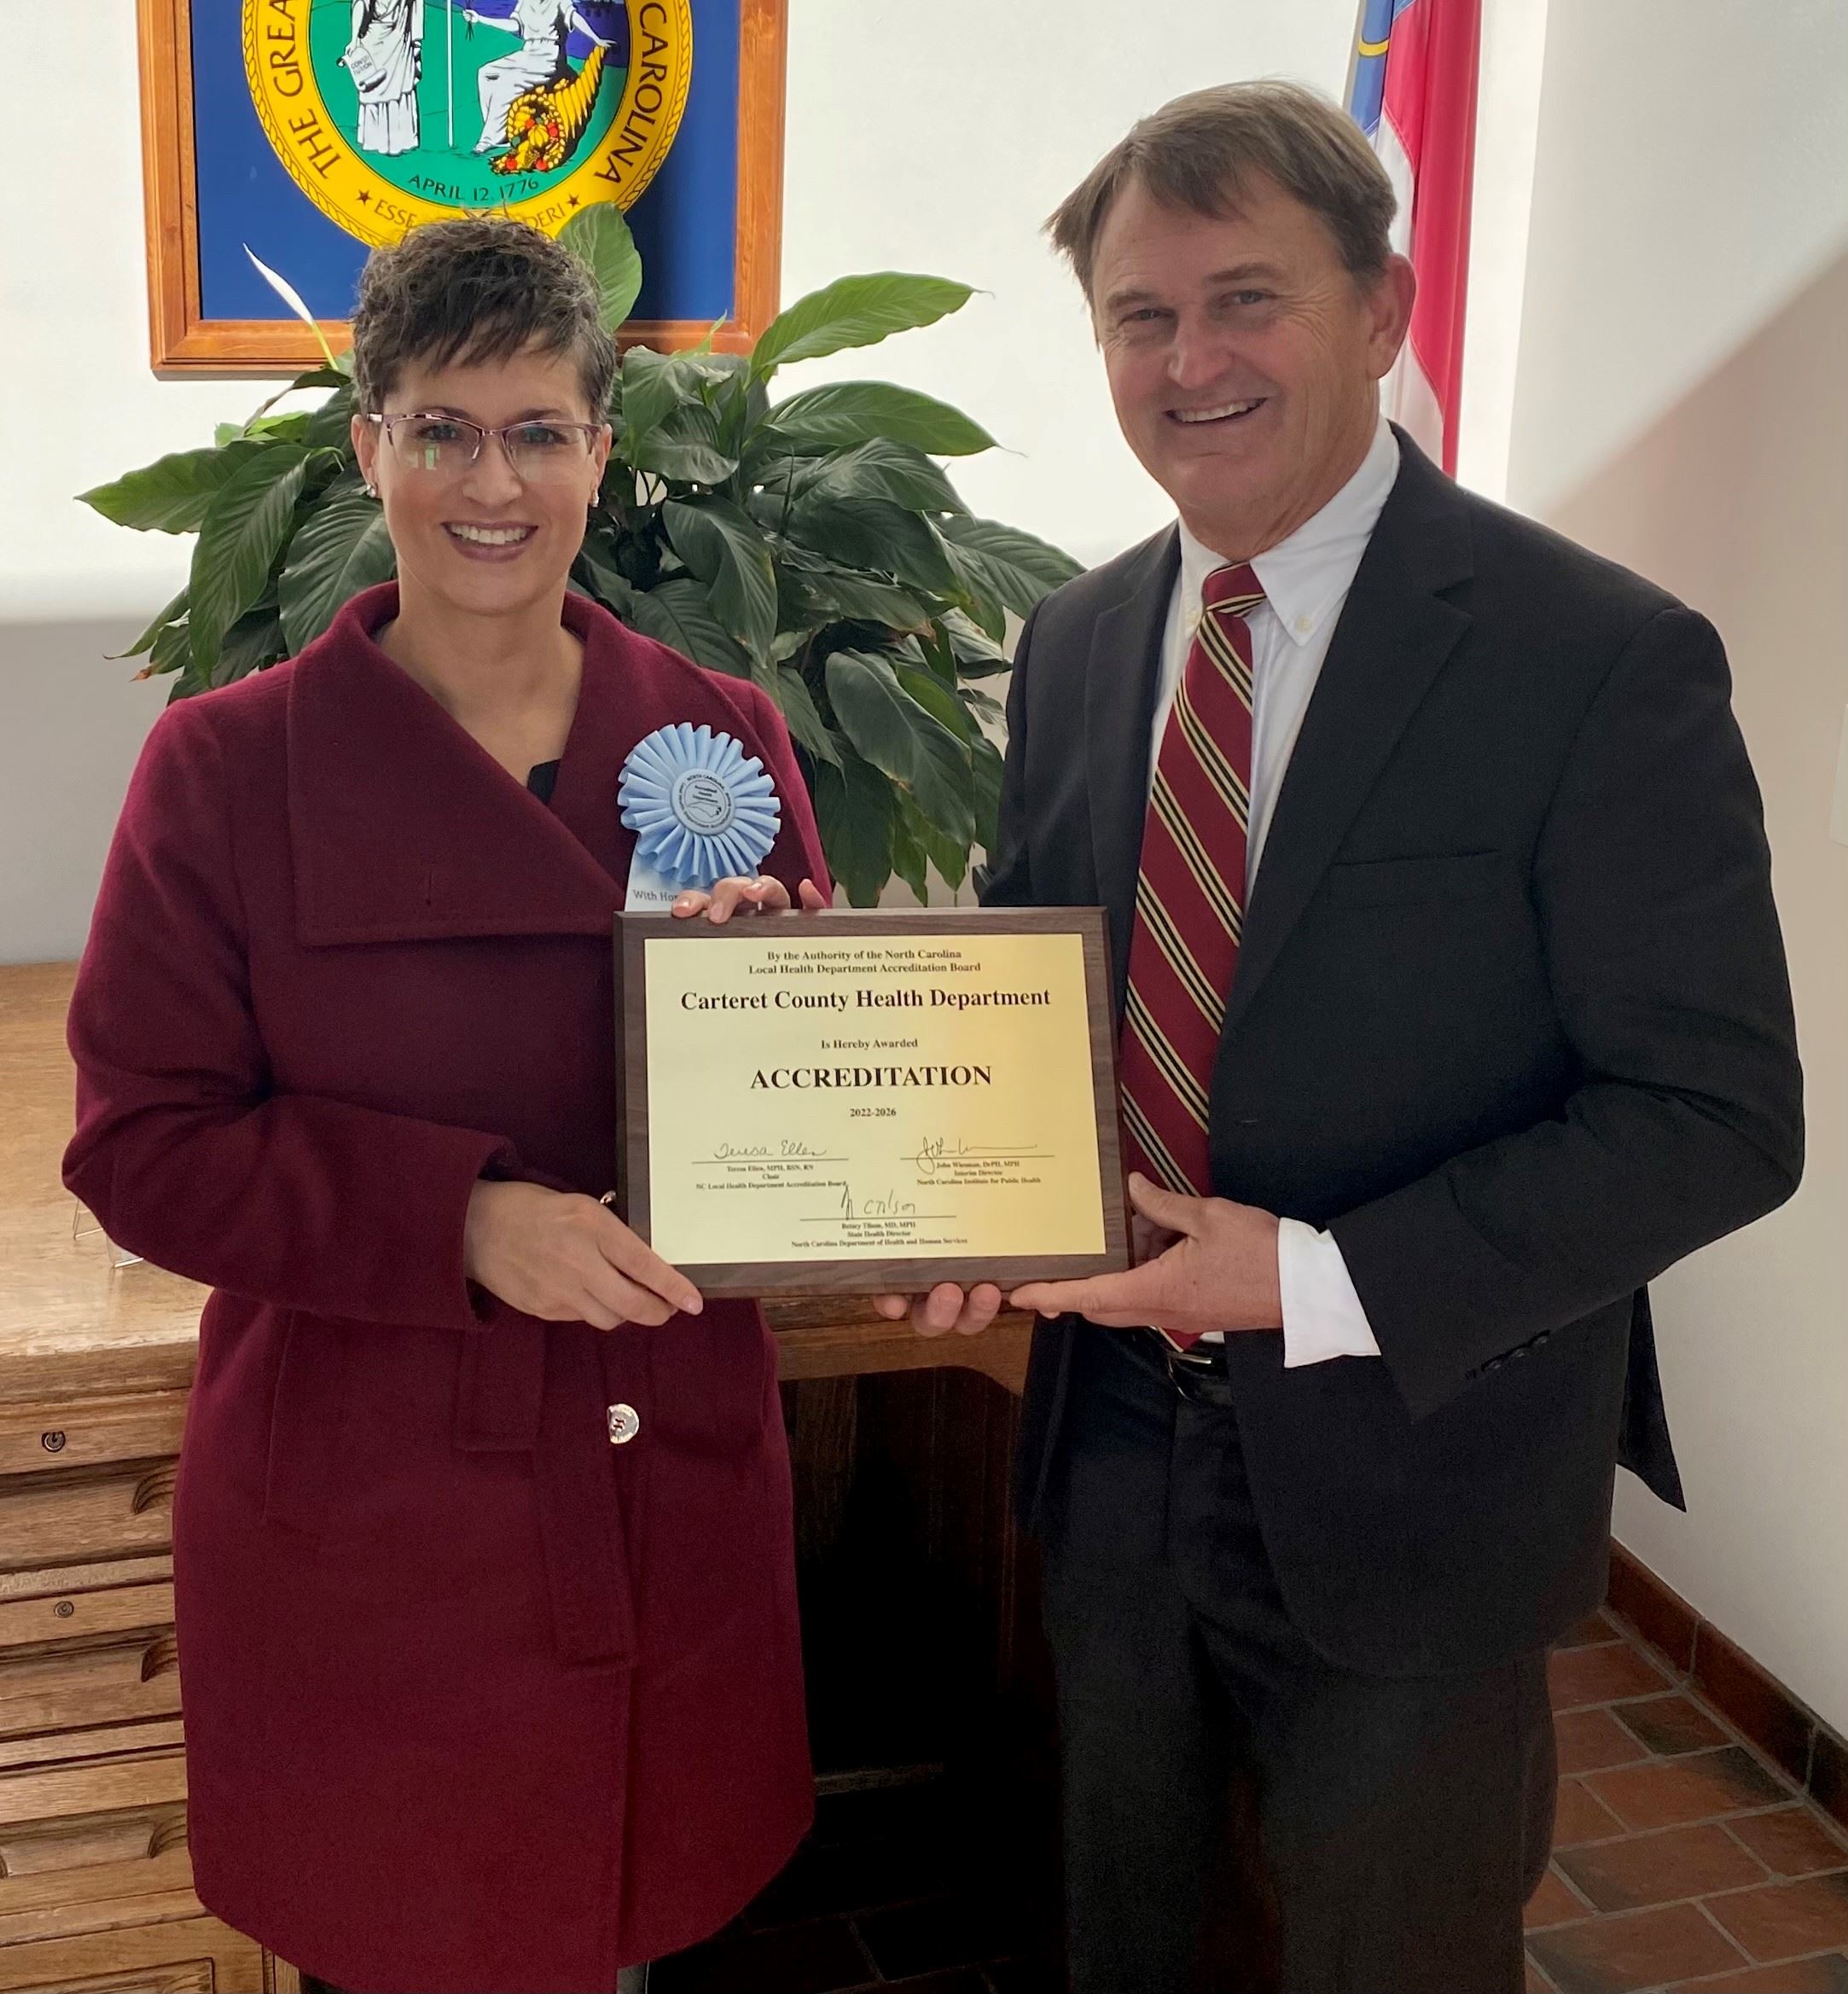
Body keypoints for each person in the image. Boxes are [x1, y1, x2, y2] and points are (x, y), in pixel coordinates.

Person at [878, 80, 1804, 1993]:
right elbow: (1038, 983)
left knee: (1396, 1953)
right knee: (1126, 1933)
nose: (1190, 359)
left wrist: (1311, 1275)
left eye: (1247, 299)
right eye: (1142, 316)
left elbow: (1718, 1112)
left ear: (1380, 314)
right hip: (1110, 1451)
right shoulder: (1069, 641)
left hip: (1420, 1469)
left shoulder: (1597, 658)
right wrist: (932, 1145)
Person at [65, 218, 828, 1994]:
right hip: (381, 1531)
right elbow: (142, 1142)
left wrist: (821, 1074)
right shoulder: (227, 770)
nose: (496, 481)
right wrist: (464, 1219)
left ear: (602, 454)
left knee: (647, 1932)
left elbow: (798, 1112)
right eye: (445, 431)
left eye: (541, 431)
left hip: (665, 1487)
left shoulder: (721, 737)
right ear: (369, 448)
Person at [464, 0, 608, 154]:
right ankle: (501, 130)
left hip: (550, 56)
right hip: (528, 52)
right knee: (486, 73)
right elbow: (515, 25)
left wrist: (596, 39)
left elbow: (575, 18)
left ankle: (488, 139)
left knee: (508, 85)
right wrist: (480, 18)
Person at [341, 0, 424, 157]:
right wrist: (353, 39)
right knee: (375, 87)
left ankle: (399, 140)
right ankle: (380, 140)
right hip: (376, 36)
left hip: (399, 36)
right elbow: (361, 4)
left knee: (397, 86)